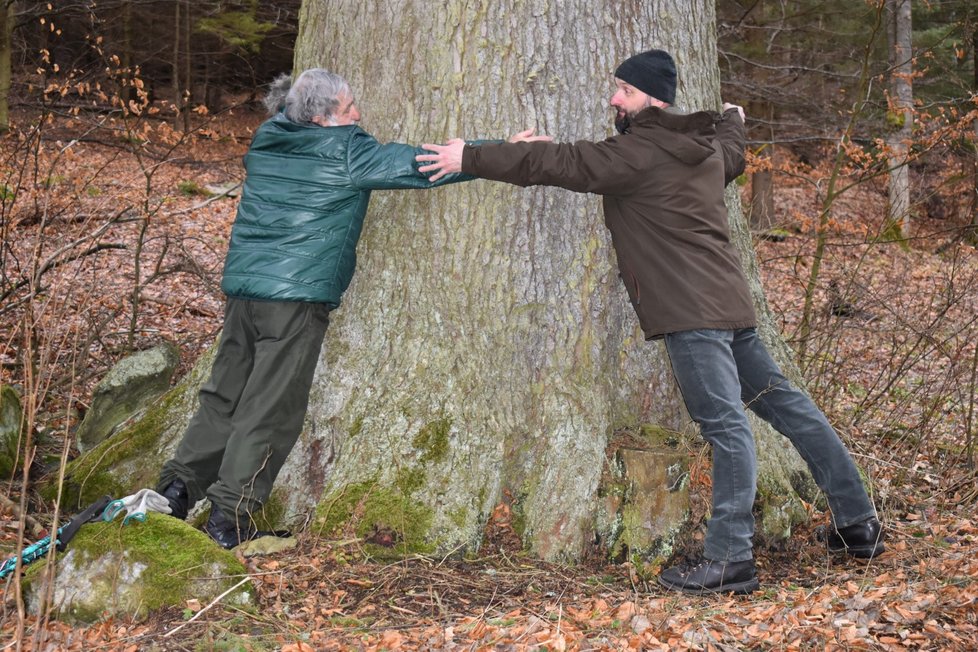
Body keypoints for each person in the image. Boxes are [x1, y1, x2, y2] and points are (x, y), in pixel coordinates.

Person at [416, 49, 883, 594]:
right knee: (788, 406)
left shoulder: (638, 152)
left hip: (692, 316)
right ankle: (859, 523)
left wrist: (470, 156)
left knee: (726, 427)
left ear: (653, 99)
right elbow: (732, 151)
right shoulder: (703, 149)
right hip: (729, 308)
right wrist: (733, 118)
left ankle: (731, 559)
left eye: (625, 91)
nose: (614, 99)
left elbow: (560, 164)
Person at [157, 68, 548, 549]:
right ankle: (229, 519)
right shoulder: (346, 152)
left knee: (224, 394)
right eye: (348, 108)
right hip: (295, 300)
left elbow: (290, 107)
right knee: (269, 409)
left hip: (244, 293)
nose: (359, 114)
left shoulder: (268, 139)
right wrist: (503, 148)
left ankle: (176, 489)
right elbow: (423, 165)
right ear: (322, 119)